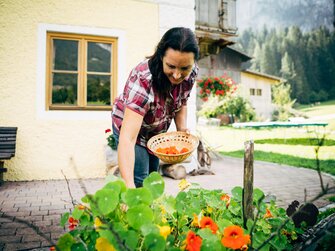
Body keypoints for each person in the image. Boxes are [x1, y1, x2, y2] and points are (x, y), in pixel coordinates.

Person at [111, 27, 199, 188]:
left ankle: (149, 209)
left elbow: (181, 101)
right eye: (171, 66)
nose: (177, 75)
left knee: (152, 178)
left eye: (184, 68)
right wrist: (129, 185)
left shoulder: (192, 73)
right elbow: (128, 138)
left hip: (155, 132)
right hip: (132, 132)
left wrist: (182, 129)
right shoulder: (143, 78)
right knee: (140, 180)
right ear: (160, 56)